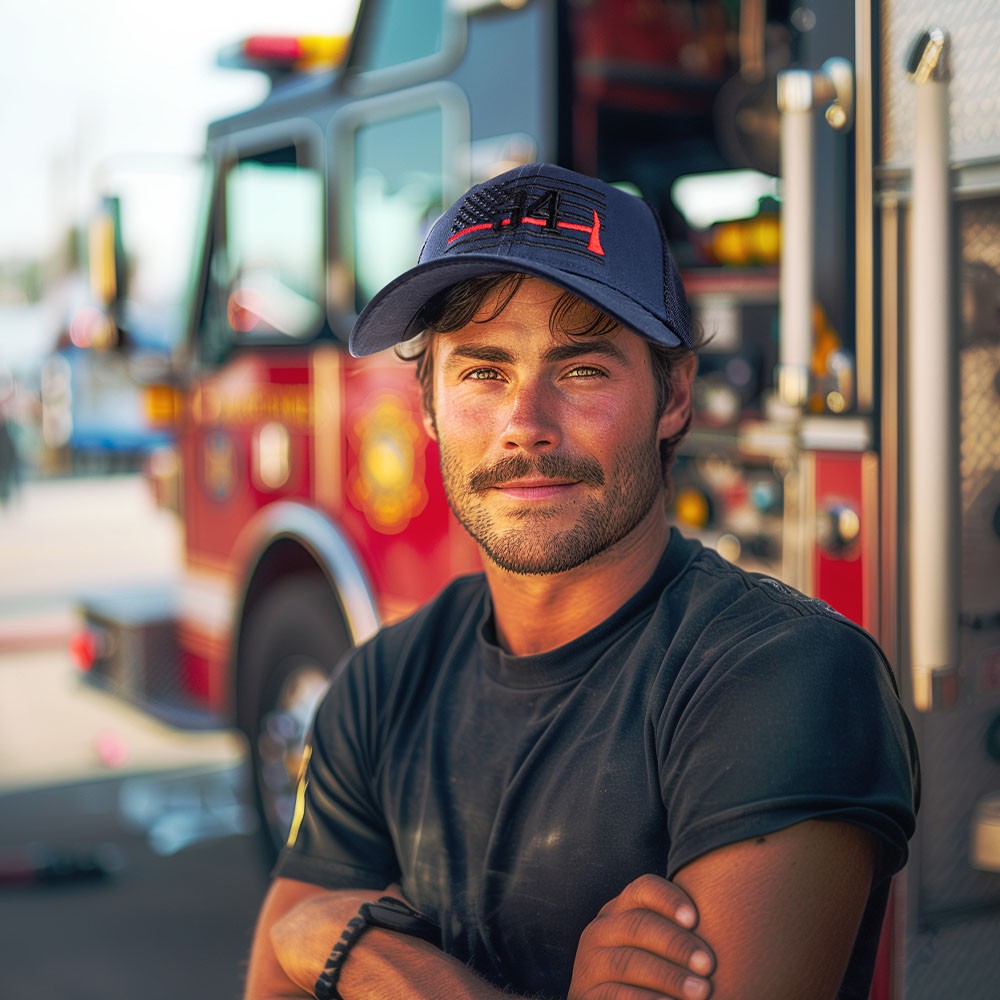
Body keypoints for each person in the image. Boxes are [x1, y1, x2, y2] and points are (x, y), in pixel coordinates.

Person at [244, 163, 918, 1000]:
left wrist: (369, 957)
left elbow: (304, 943)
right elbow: (269, 982)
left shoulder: (787, 678)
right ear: (427, 405)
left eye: (583, 370)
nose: (525, 426)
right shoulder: (380, 686)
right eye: (482, 372)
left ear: (673, 396)